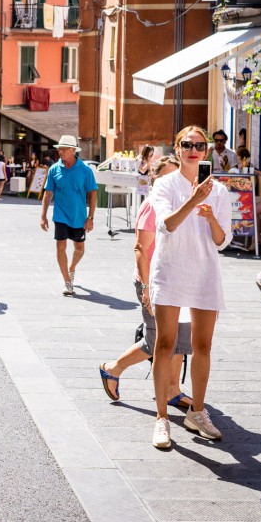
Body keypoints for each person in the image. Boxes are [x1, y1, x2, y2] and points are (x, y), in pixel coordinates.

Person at [146, 125, 232, 449]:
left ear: (207, 151)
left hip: (205, 272)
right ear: (177, 148)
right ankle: (161, 418)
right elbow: (166, 224)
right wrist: (194, 199)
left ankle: (197, 411)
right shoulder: (164, 184)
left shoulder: (220, 192)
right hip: (171, 270)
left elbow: (223, 241)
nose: (193, 150)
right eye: (187, 144)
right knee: (165, 344)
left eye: (199, 145)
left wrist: (210, 217)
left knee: (203, 346)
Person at [98, 157, 197, 412]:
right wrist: (145, 288)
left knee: (180, 340)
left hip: (180, 279)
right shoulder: (152, 205)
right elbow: (141, 248)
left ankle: (173, 390)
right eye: (166, 177)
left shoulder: (183, 205)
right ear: (155, 180)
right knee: (157, 341)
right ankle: (113, 368)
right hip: (154, 282)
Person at [39, 135, 98, 296]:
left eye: (64, 149)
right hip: (60, 215)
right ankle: (67, 281)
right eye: (60, 148)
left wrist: (90, 217)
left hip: (79, 216)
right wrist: (43, 216)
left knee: (79, 248)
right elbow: (48, 193)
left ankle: (71, 268)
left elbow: (93, 194)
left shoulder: (85, 170)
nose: (60, 151)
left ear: (73, 150)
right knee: (60, 246)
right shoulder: (54, 169)